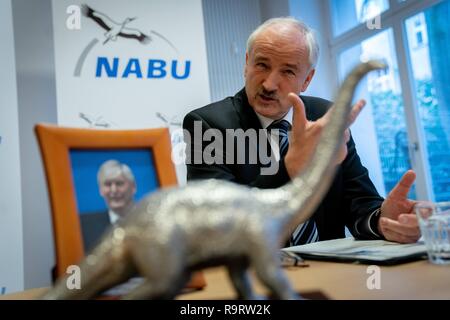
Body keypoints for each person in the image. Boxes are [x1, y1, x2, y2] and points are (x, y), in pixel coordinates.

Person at [183, 17, 420, 245]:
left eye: (288, 71)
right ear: (247, 63)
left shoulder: (325, 117)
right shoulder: (206, 124)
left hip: (331, 270)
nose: (269, 84)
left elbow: (359, 202)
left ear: (307, 79)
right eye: (261, 64)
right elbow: (218, 224)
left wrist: (383, 220)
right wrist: (289, 169)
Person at [80, 159, 137, 251]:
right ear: (101, 190)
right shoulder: (84, 225)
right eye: (107, 184)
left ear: (133, 187)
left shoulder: (152, 219)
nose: (113, 190)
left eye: (119, 183)